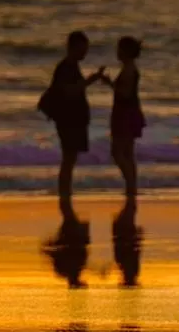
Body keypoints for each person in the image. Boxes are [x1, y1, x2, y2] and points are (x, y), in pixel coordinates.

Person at [47, 31, 109, 206]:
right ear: (72, 48)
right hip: (68, 120)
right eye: (83, 49)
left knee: (70, 159)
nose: (85, 53)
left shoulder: (71, 66)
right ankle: (64, 194)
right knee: (68, 158)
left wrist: (92, 79)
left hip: (73, 119)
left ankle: (66, 194)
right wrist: (88, 81)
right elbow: (69, 91)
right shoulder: (65, 67)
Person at [106, 36, 145, 198]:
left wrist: (110, 84)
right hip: (129, 112)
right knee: (128, 153)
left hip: (125, 114)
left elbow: (125, 93)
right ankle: (131, 187)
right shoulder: (130, 68)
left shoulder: (129, 69)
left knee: (118, 152)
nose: (117, 52)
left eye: (120, 48)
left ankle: (130, 185)